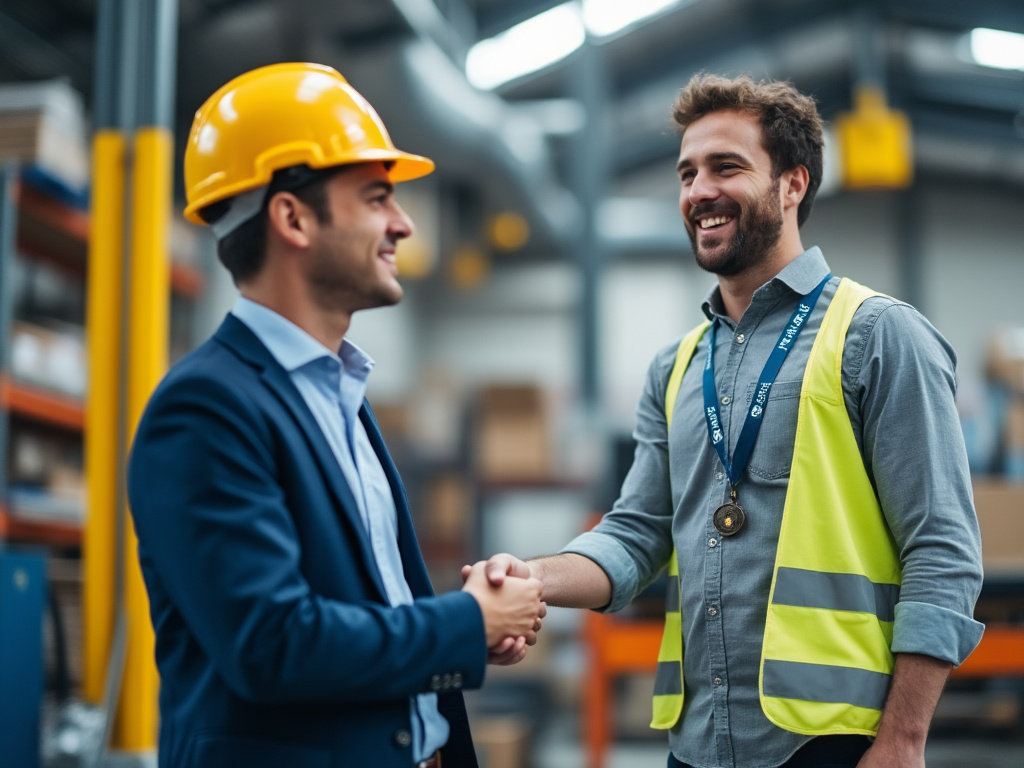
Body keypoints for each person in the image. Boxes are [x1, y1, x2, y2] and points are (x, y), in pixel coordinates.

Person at [471, 73, 984, 768]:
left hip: (834, 743)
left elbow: (943, 551)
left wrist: (902, 741)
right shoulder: (676, 367)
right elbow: (635, 534)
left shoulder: (876, 337)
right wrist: (528, 576)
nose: (698, 191)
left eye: (726, 167)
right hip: (701, 741)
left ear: (794, 184)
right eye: (687, 172)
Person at [127, 62, 545, 768]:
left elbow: (363, 618)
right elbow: (273, 644)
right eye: (378, 198)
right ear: (292, 217)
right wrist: (462, 625)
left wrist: (463, 640)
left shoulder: (339, 394)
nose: (403, 223)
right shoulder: (204, 409)